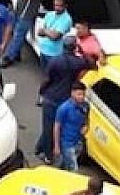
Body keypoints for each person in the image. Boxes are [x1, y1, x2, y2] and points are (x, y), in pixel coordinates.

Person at [35, 35, 96, 164]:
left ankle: (46, 153)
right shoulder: (78, 62)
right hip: (66, 98)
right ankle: (41, 147)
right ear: (75, 47)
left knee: (48, 126)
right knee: (59, 125)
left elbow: (47, 79)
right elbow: (92, 64)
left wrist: (41, 91)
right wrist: (82, 51)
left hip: (51, 97)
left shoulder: (55, 61)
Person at [0, 0, 49, 68]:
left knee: (18, 34)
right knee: (17, 33)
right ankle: (16, 54)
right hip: (19, 10)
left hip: (27, 13)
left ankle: (9, 57)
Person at [53, 82, 90, 172]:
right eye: (79, 94)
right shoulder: (64, 108)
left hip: (78, 142)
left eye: (83, 94)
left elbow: (87, 119)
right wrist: (56, 145)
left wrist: (86, 126)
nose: (81, 97)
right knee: (74, 169)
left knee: (65, 164)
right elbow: (57, 126)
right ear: (72, 93)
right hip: (67, 143)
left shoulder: (85, 106)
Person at [37, 0, 73, 69]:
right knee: (45, 73)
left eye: (60, 6)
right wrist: (49, 32)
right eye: (55, 5)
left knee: (54, 76)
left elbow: (55, 37)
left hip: (55, 53)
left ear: (65, 6)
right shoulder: (49, 14)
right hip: (43, 49)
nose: (57, 8)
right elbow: (40, 32)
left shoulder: (66, 19)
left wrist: (45, 31)